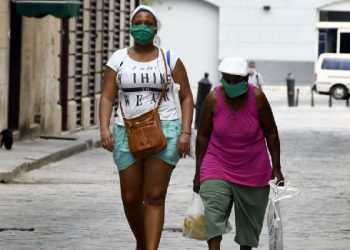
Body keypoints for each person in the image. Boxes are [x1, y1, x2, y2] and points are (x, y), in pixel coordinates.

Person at [99, 5, 194, 250]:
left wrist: (185, 131)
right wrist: (104, 128)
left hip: (166, 131)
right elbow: (108, 96)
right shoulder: (118, 59)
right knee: (131, 198)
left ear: (155, 28)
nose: (142, 27)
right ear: (131, 27)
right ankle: (143, 243)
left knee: (154, 196)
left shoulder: (170, 58)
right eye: (137, 22)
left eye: (147, 23)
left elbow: (186, 96)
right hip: (126, 131)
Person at [193, 57, 284, 250]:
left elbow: (271, 132)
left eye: (237, 80)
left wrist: (277, 169)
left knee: (248, 231)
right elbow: (202, 136)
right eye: (228, 79)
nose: (232, 84)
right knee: (213, 215)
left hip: (253, 170)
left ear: (246, 80)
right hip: (217, 164)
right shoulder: (213, 98)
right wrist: (198, 172)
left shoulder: (258, 97)